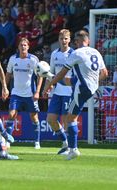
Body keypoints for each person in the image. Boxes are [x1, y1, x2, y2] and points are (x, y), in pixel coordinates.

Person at [43, 30, 108, 160]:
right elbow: (105, 73)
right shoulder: (96, 52)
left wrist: (50, 84)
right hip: (88, 86)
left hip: (81, 89)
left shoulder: (76, 53)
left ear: (77, 42)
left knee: (70, 119)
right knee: (68, 116)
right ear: (88, 41)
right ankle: (71, 147)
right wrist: (94, 82)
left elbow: (62, 73)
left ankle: (73, 149)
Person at [4, 37, 43, 149]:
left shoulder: (33, 59)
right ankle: (8, 141)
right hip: (16, 93)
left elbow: (40, 76)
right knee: (11, 115)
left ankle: (37, 142)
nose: (23, 47)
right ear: (18, 47)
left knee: (34, 117)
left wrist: (37, 92)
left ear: (28, 47)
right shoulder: (13, 59)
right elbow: (8, 74)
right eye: (21, 45)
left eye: (25, 45)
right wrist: (4, 88)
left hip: (30, 94)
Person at [47, 29, 74, 155]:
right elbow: (51, 72)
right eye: (61, 38)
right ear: (58, 40)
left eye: (66, 38)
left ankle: (69, 147)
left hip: (69, 91)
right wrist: (49, 86)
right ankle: (65, 142)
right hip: (57, 92)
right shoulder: (54, 54)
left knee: (66, 119)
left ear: (69, 39)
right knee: (50, 119)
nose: (64, 41)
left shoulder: (74, 54)